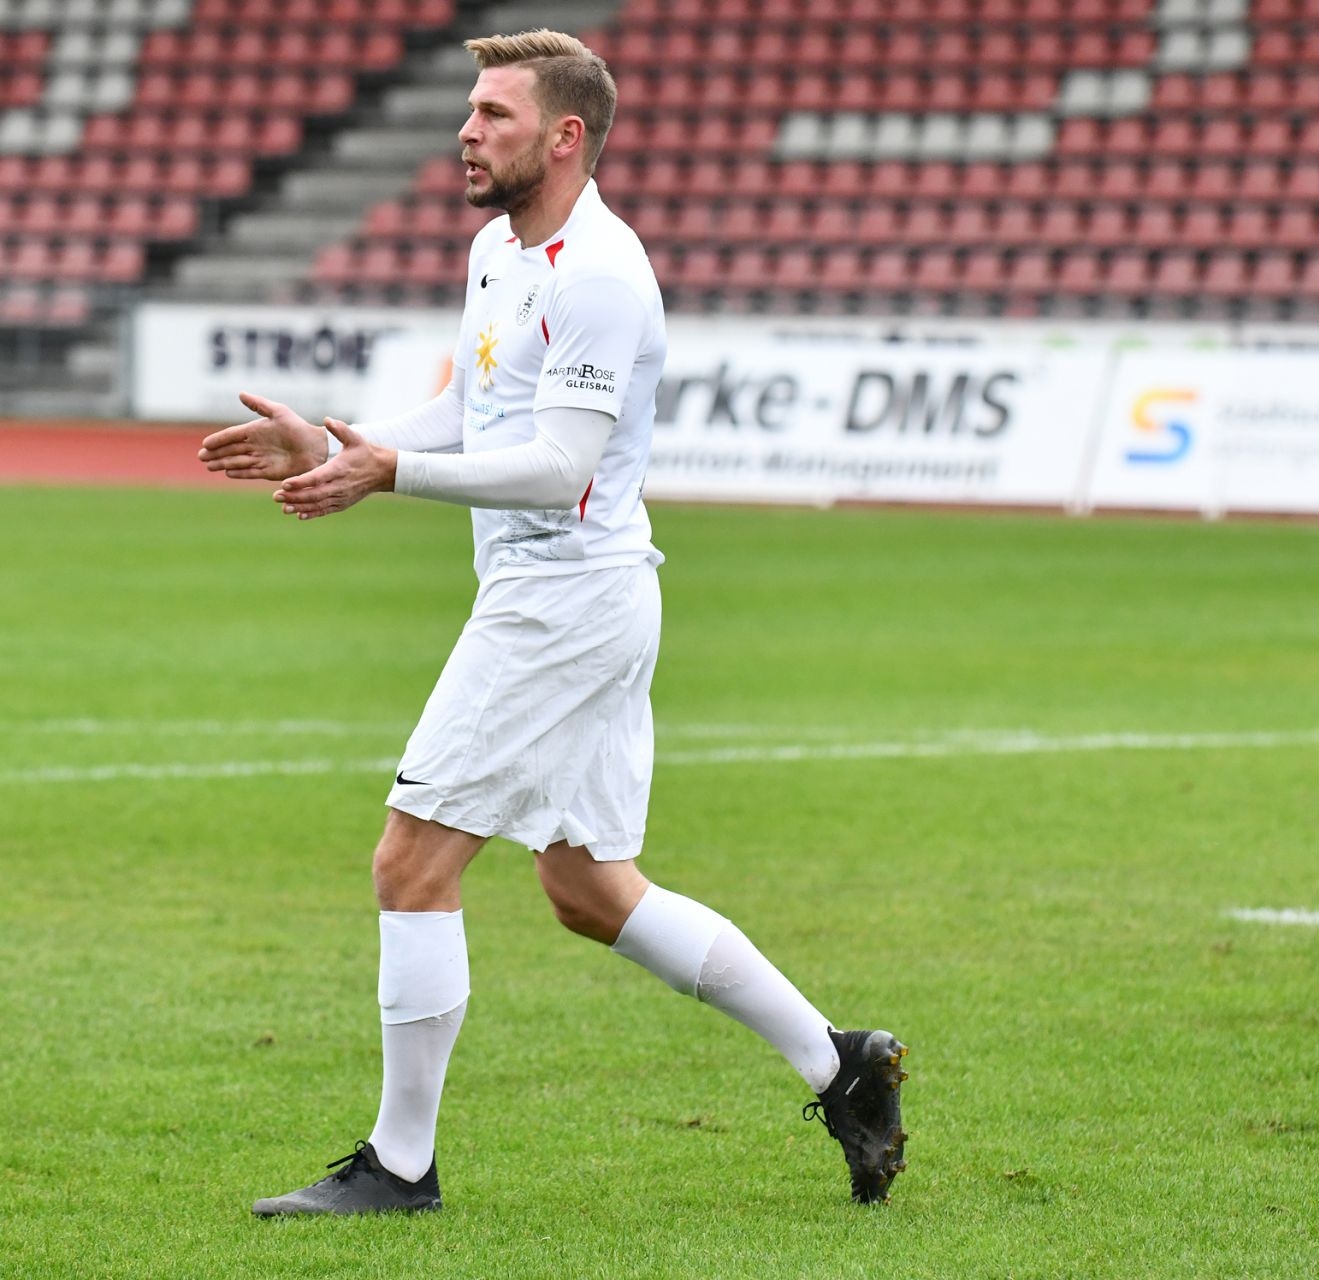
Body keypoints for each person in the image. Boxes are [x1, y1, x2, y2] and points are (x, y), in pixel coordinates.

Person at [198, 29, 908, 1214]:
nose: (466, 133)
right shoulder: (499, 247)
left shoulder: (601, 273)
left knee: (410, 859)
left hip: (563, 598)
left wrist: (384, 478)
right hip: (575, 594)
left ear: (565, 136)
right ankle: (841, 1062)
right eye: (470, 111)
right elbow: (467, 409)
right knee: (589, 888)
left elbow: (556, 465)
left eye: (493, 114)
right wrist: (339, 441)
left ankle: (401, 1167)